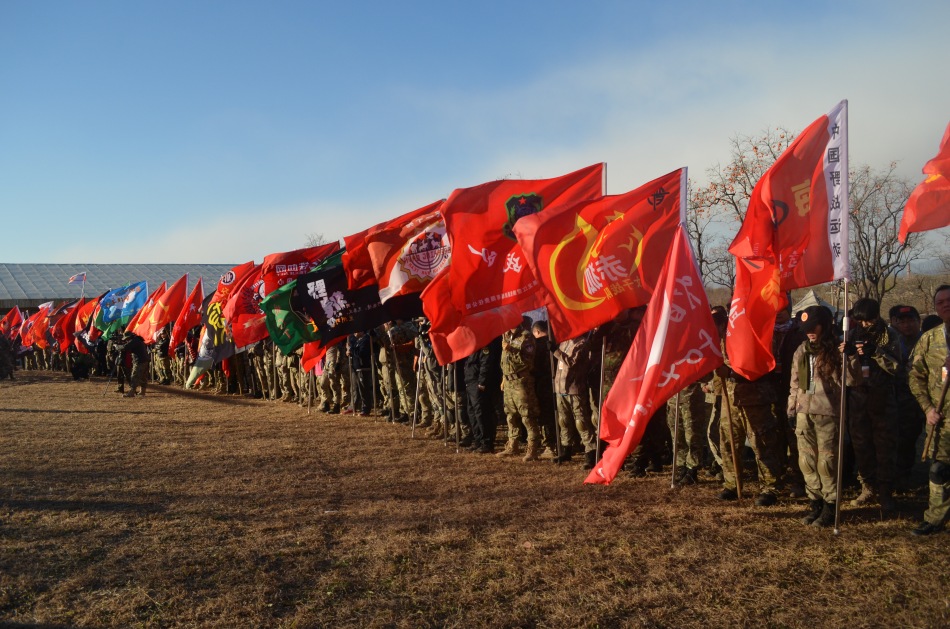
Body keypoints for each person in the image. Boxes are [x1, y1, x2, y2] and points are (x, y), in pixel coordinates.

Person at [789, 305, 858, 527]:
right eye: (806, 328)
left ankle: (830, 504)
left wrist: (851, 358)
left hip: (827, 414)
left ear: (825, 325)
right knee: (806, 461)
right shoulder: (802, 350)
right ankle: (815, 502)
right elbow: (796, 383)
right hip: (804, 413)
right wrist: (792, 408)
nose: (810, 332)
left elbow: (851, 381)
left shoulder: (837, 350)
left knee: (827, 463)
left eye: (814, 327)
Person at [845, 297, 900, 510]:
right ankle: (867, 487)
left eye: (868, 321)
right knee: (861, 445)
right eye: (861, 322)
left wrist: (876, 353)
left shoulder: (889, 335)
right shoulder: (852, 335)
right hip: (858, 398)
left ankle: (886, 491)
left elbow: (896, 367)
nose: (865, 325)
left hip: (883, 398)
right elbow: (845, 372)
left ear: (876, 316)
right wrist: (848, 354)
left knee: (884, 446)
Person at [908, 285, 950, 536]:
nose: (945, 305)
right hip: (941, 419)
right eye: (940, 302)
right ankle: (935, 518)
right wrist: (926, 409)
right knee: (939, 470)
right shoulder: (930, 338)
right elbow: (915, 377)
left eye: (949, 300)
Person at [497, 316, 543, 462]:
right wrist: (504, 378)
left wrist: (511, 350)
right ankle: (513, 445)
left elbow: (528, 361)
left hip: (521, 382)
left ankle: (532, 447)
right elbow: (504, 361)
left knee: (527, 416)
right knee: (510, 415)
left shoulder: (526, 337)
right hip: (509, 381)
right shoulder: (505, 335)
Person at [891, 305, 926, 485]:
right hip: (901, 399)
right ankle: (902, 474)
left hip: (925, 397)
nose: (907, 325)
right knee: (903, 438)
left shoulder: (927, 341)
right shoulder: (893, 343)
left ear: (918, 322)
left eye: (911, 321)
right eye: (902, 321)